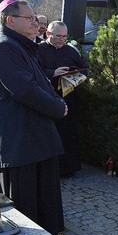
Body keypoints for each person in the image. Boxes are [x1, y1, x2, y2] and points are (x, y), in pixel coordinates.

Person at [0, 0, 68, 235]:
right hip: (18, 143)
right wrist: (57, 108)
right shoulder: (3, 47)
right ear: (11, 20)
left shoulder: (20, 45)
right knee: (25, 210)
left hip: (32, 140)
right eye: (29, 18)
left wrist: (58, 102)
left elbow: (40, 82)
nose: (35, 23)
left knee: (43, 204)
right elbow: (24, 89)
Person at [37, 21, 87, 176]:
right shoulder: (38, 50)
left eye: (65, 36)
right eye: (58, 36)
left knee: (67, 134)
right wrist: (53, 73)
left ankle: (67, 168)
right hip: (46, 98)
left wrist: (75, 77)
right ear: (48, 34)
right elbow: (32, 74)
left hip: (68, 97)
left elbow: (84, 70)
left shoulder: (71, 51)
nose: (62, 40)